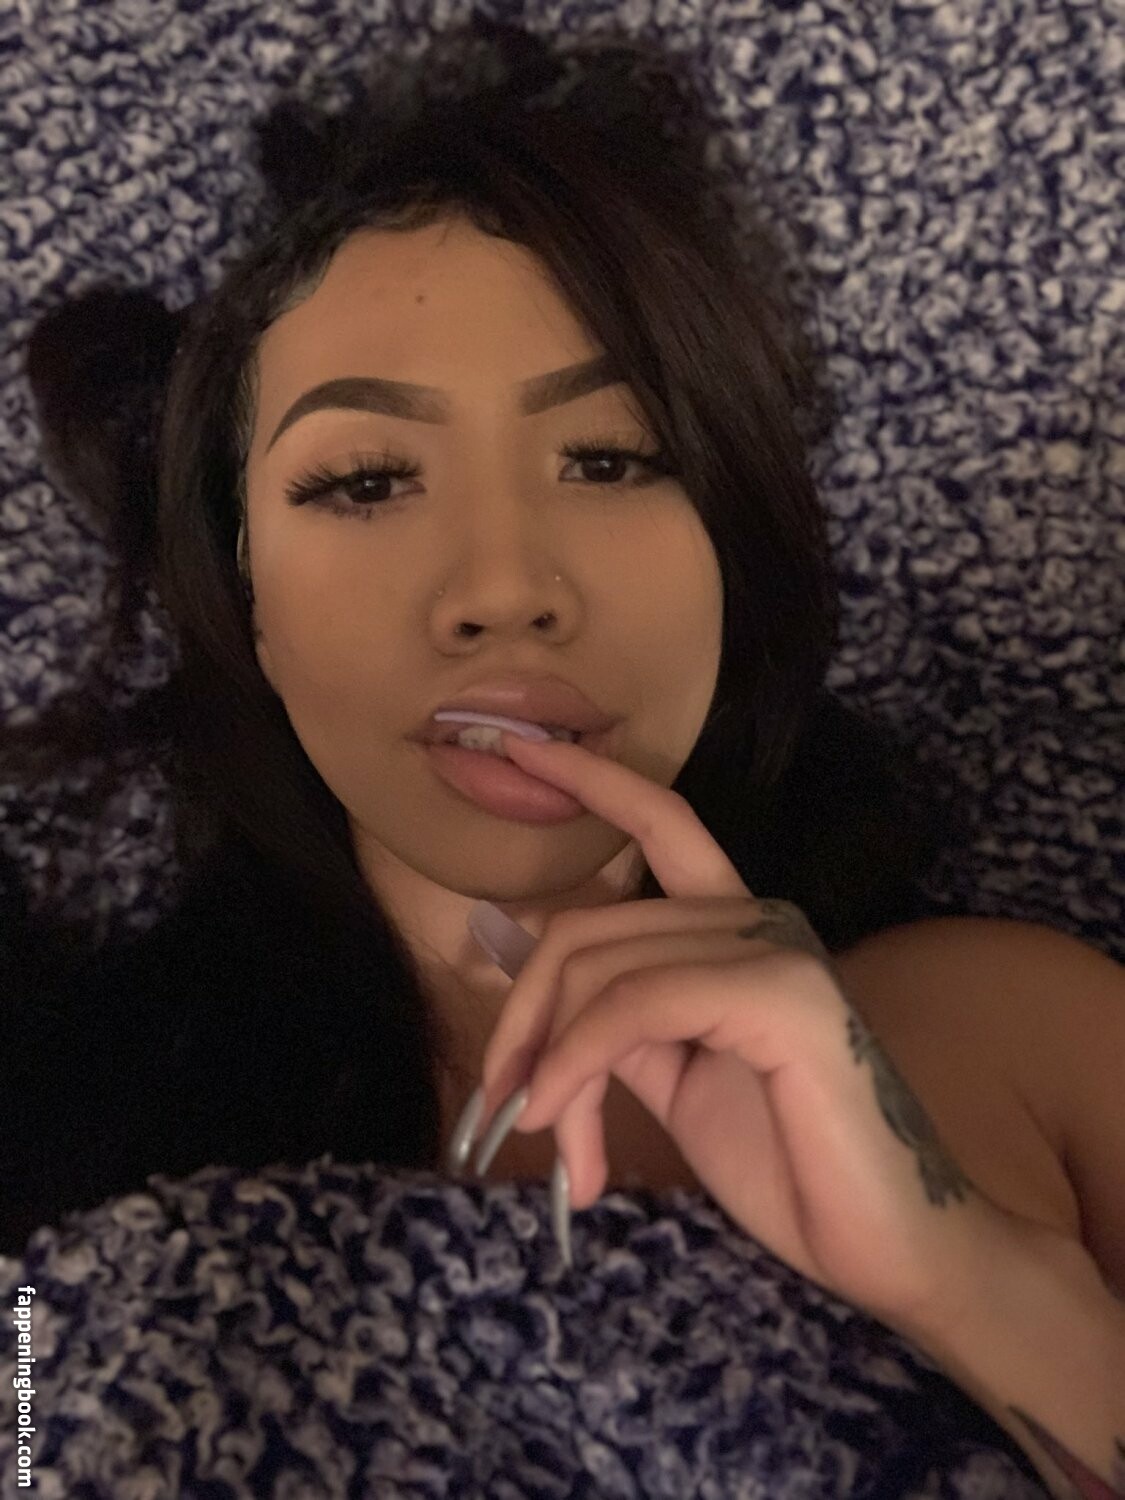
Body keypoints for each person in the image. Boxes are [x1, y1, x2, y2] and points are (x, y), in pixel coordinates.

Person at [1, 16, 1121, 1498]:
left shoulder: (1022, 1035)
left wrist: (969, 1276)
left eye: (608, 459)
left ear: (731, 549)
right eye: (365, 480)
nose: (502, 586)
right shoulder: (55, 1131)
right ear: (245, 599)